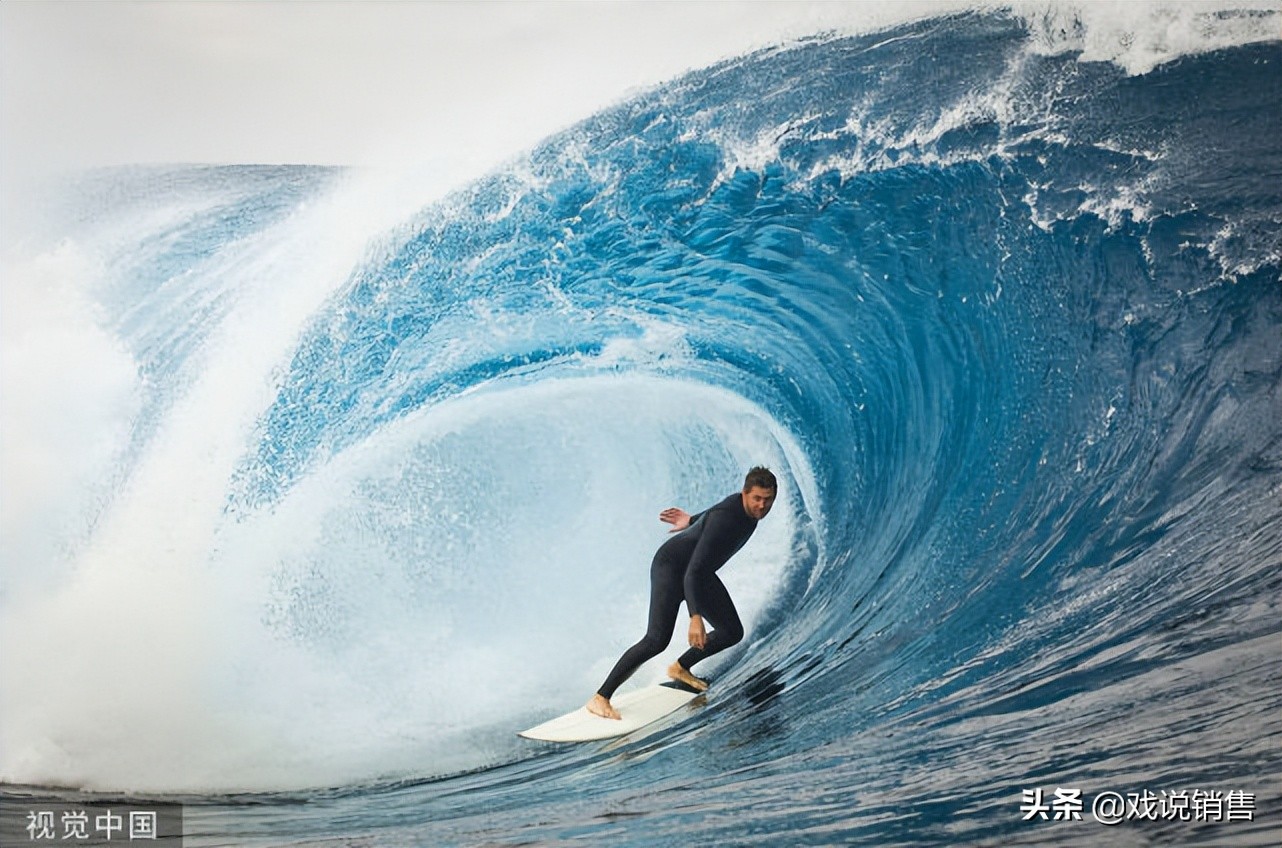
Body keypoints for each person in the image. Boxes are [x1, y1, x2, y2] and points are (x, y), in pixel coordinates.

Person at [586, 466, 778, 720]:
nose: (762, 506)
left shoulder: (741, 511)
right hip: (672, 568)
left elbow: (710, 516)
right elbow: (693, 571)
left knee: (731, 632)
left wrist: (690, 521)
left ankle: (680, 668)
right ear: (744, 494)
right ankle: (600, 698)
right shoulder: (727, 518)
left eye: (768, 500)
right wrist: (694, 616)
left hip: (699, 573)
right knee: (656, 640)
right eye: (757, 499)